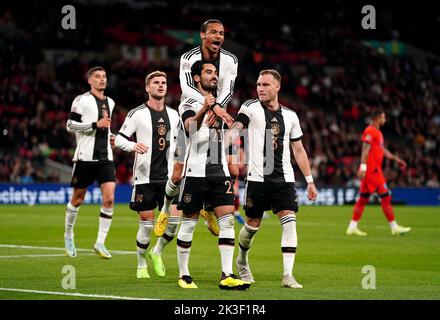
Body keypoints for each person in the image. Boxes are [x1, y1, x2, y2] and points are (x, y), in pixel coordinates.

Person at [226, 69, 318, 288]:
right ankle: (242, 260)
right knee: (251, 225)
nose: (260, 88)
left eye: (265, 85)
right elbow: (238, 126)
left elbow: (299, 150)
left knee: (289, 221)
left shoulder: (291, 116)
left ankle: (288, 275)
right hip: (257, 179)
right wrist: (229, 136)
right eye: (258, 84)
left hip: (284, 180)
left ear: (277, 87)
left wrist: (310, 180)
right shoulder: (250, 107)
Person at [154, 18, 238, 238]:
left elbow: (228, 90)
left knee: (227, 169)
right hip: (192, 111)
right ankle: (164, 209)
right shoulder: (188, 58)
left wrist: (217, 107)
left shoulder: (230, 60)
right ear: (203, 35)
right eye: (213, 32)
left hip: (216, 117)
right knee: (178, 173)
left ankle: (208, 208)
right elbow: (188, 87)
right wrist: (210, 106)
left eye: (221, 33)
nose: (218, 36)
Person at [175, 60, 250, 290]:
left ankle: (226, 275)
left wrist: (232, 154)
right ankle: (184, 274)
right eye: (209, 72)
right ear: (196, 77)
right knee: (189, 222)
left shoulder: (221, 105)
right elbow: (189, 128)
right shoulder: (188, 101)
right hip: (195, 171)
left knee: (227, 221)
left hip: (220, 172)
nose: (214, 75)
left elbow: (226, 137)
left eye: (216, 72)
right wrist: (204, 109)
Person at [114, 71, 179, 279]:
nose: (161, 86)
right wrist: (133, 145)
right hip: (145, 177)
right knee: (146, 223)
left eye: (164, 83)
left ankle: (157, 251)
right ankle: (141, 264)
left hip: (169, 178)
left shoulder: (175, 115)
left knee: (175, 221)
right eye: (156, 83)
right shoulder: (137, 114)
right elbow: (119, 139)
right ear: (147, 87)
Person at [64, 66, 116, 259]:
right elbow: (70, 125)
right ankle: (69, 234)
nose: (102, 79)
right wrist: (95, 125)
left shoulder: (110, 101)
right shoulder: (81, 100)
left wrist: (112, 138)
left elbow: (107, 128)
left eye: (104, 76)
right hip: (85, 157)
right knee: (77, 199)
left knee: (109, 199)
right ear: (90, 81)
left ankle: (100, 243)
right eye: (97, 77)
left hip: (106, 158)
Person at [346, 110, 411, 236]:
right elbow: (365, 150)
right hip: (372, 170)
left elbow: (382, 149)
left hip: (373, 169)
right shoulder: (370, 130)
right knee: (385, 197)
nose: (385, 120)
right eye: (383, 117)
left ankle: (352, 227)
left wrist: (396, 159)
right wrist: (363, 168)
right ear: (377, 118)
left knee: (363, 199)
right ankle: (394, 227)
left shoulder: (378, 133)